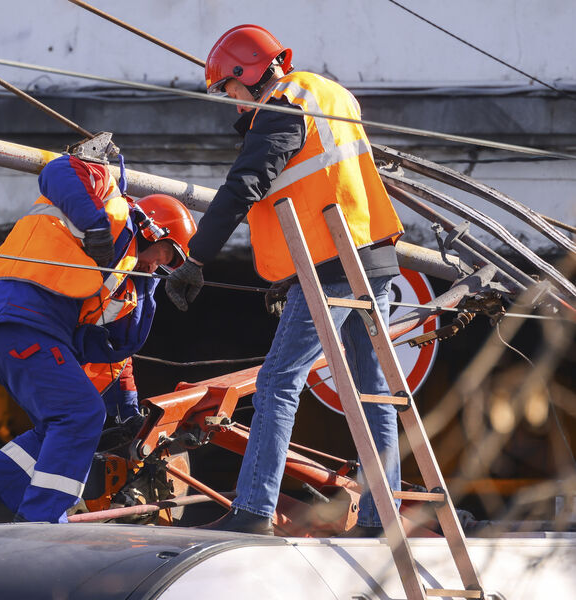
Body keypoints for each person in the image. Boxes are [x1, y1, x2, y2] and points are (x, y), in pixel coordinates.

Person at [166, 25, 404, 535]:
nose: (232, 100)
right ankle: (382, 519)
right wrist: (287, 274)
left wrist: (196, 259)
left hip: (330, 267)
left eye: (230, 87)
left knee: (277, 383)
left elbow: (243, 188)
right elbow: (324, 186)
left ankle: (254, 510)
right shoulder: (329, 93)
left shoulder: (283, 106)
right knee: (373, 391)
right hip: (370, 257)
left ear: (248, 72)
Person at [0, 154, 197, 524]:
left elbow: (114, 354)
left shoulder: (121, 279)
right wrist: (96, 228)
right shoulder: (108, 209)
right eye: (168, 256)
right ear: (156, 231)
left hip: (8, 330)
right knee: (81, 415)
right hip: (22, 318)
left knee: (59, 424)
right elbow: (60, 170)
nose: (158, 267)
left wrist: (128, 411)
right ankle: (42, 519)